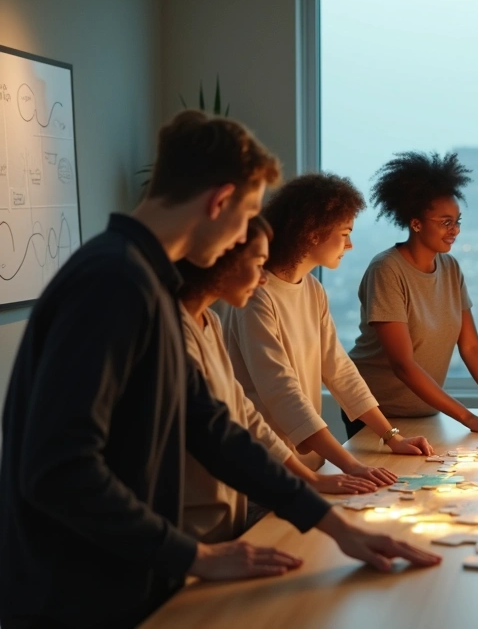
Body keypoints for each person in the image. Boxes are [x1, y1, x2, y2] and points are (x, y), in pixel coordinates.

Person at [0, 111, 439, 628]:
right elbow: (58, 471)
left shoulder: (150, 283)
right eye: (247, 215)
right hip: (77, 593)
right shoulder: (115, 283)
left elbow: (214, 427)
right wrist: (197, 556)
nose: (246, 239)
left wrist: (335, 527)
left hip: (124, 578)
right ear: (219, 201)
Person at [178, 215, 381, 543]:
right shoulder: (178, 330)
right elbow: (237, 424)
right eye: (258, 263)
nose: (262, 278)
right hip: (195, 516)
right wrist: (319, 480)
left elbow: (245, 413)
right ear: (221, 257)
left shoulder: (211, 322)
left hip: (235, 502)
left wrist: (310, 480)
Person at [223, 173, 433, 485]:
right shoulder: (255, 295)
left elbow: (339, 370)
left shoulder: (312, 289)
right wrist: (351, 464)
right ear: (312, 233)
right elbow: (281, 391)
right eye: (345, 233)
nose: (349, 244)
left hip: (311, 465)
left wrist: (391, 437)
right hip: (265, 468)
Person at [346, 151, 478, 439]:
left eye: (458, 221)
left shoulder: (450, 268)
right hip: (376, 414)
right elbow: (403, 365)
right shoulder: (386, 270)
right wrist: (469, 419)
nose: (455, 230)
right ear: (416, 223)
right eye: (445, 222)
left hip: (425, 412)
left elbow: (470, 345)